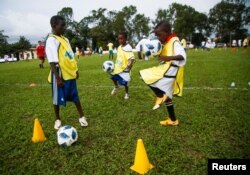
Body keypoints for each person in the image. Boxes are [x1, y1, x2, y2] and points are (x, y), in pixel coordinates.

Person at [140, 21, 186, 126]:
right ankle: (173, 120)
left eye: (159, 35)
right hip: (167, 70)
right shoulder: (166, 42)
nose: (158, 37)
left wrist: (167, 58)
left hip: (169, 71)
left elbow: (182, 56)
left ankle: (159, 95)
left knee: (144, 75)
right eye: (156, 35)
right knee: (168, 97)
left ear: (167, 32)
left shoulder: (174, 42)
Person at [45, 15, 88, 129]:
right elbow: (52, 61)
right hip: (58, 73)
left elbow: (71, 56)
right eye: (62, 25)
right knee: (57, 97)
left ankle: (82, 116)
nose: (64, 27)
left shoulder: (65, 39)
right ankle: (57, 119)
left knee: (75, 95)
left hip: (69, 72)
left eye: (65, 25)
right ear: (54, 26)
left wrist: (76, 69)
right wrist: (57, 78)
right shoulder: (51, 40)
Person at [110, 32, 135, 100]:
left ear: (126, 38)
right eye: (119, 39)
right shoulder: (119, 47)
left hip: (125, 68)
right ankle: (116, 87)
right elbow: (119, 56)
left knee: (126, 83)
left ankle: (127, 93)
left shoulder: (128, 47)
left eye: (122, 38)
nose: (120, 40)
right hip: (117, 67)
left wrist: (129, 66)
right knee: (112, 76)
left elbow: (132, 58)